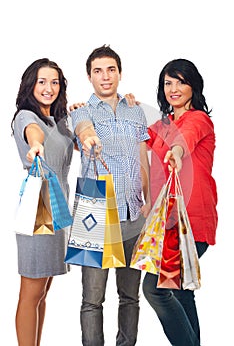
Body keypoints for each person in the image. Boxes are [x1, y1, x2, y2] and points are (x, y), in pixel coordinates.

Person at [70, 44, 151, 346]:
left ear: (120, 72)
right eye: (98, 71)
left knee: (130, 297)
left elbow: (143, 158)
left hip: (132, 214)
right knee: (92, 299)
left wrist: (149, 201)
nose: (105, 77)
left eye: (111, 69)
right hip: (94, 215)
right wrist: (90, 137)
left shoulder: (136, 110)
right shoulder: (80, 110)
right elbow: (82, 129)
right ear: (89, 77)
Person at [141, 59, 218, 346]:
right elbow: (133, 136)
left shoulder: (198, 119)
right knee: (182, 292)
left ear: (193, 86)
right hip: (168, 221)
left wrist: (175, 152)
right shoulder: (162, 124)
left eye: (180, 81)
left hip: (191, 221)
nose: (174, 88)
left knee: (156, 289)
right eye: (168, 82)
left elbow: (185, 140)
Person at [11, 58, 74, 345]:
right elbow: (31, 132)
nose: (49, 88)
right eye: (42, 81)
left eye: (54, 82)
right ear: (31, 85)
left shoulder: (56, 121)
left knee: (43, 292)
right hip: (39, 211)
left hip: (57, 209)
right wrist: (36, 144)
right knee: (31, 292)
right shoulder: (27, 116)